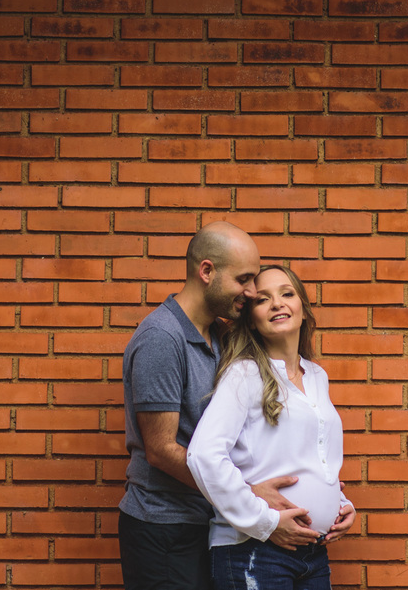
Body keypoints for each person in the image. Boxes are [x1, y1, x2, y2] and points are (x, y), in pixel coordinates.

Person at [119, 221, 295, 590]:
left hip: (210, 520)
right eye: (243, 279)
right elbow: (161, 451)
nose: (251, 292)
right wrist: (246, 492)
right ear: (206, 271)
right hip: (164, 528)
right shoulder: (161, 338)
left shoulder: (220, 335)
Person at [186, 265, 356, 590]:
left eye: (287, 294)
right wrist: (264, 522)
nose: (277, 303)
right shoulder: (244, 374)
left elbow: (311, 458)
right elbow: (203, 455)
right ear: (252, 320)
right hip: (254, 551)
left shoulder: (316, 376)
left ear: (303, 308)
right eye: (263, 299)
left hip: (313, 553)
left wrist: (339, 503)